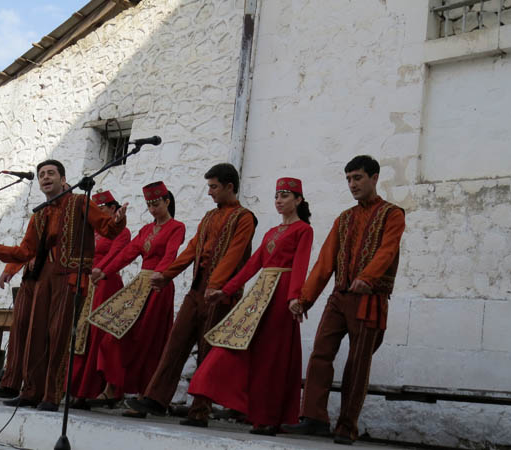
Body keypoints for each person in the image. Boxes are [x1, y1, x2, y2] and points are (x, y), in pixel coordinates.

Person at [0, 159, 127, 411]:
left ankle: (51, 396)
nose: (45, 177)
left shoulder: (79, 202)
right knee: (35, 335)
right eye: (41, 174)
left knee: (58, 335)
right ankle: (31, 391)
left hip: (69, 276)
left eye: (50, 173)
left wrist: (118, 220)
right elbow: (24, 251)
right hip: (42, 278)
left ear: (63, 179)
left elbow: (107, 229)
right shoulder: (40, 213)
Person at [283, 155, 405, 445]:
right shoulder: (345, 218)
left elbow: (387, 251)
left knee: (358, 363)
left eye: (358, 178)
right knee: (321, 353)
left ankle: (346, 427)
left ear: (375, 178)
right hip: (339, 297)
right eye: (348, 179)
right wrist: (305, 298)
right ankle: (313, 418)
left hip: (370, 299)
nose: (352, 184)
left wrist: (369, 277)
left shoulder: (393, 214)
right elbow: (325, 262)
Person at [127, 163, 256, 428]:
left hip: (220, 295)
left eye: (213, 187)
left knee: (208, 351)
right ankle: (156, 398)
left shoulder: (244, 218)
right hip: (197, 290)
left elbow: (234, 254)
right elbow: (192, 249)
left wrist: (217, 284)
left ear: (229, 187)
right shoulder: (209, 217)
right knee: (176, 341)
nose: (209, 192)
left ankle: (200, 411)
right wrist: (167, 274)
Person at [189, 177, 313, 435]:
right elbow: (252, 265)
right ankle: (254, 412)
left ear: (298, 200)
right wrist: (226, 290)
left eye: (286, 196)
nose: (279, 200)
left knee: (272, 358)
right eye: (277, 196)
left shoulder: (303, 230)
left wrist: (295, 298)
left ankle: (269, 417)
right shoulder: (271, 232)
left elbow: (300, 265)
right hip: (259, 298)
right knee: (237, 348)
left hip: (281, 296)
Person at [87, 181, 186, 411]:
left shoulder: (177, 227)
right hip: (140, 284)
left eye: (156, 204)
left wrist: (160, 274)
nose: (152, 209)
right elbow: (128, 254)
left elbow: (170, 254)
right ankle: (112, 389)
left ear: (167, 202)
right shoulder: (145, 230)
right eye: (149, 205)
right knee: (114, 334)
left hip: (159, 287)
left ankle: (145, 395)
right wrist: (104, 270)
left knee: (148, 341)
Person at [69, 190, 131, 408]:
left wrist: (99, 270)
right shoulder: (92, 231)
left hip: (105, 283)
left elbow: (116, 255)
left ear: (113, 209)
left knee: (96, 335)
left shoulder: (121, 232)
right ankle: (72, 386)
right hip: (84, 282)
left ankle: (90, 389)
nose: (98, 213)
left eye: (102, 208)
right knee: (77, 335)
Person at [0, 259, 35, 399]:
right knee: (18, 329)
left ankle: (32, 389)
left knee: (37, 334)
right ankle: (10, 384)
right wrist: (11, 268)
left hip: (50, 275)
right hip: (30, 277)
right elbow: (28, 245)